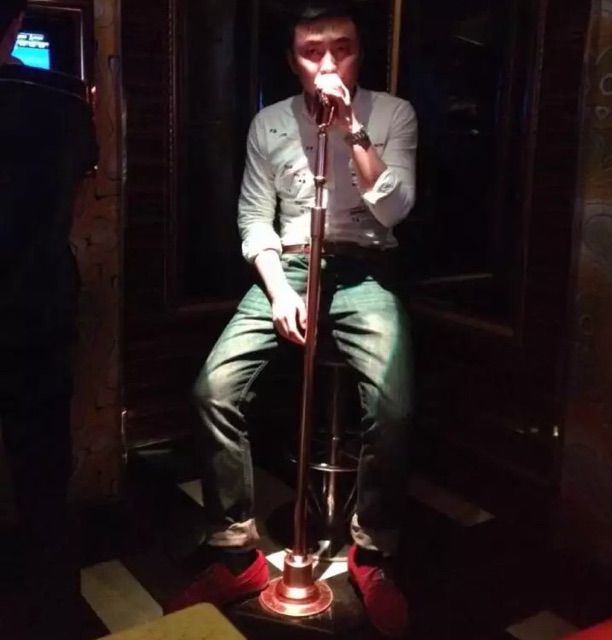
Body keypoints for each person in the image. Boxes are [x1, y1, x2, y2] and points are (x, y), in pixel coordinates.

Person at [169, 1, 417, 636]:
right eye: (312, 51)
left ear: (360, 53)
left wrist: (352, 130)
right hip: (290, 266)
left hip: (363, 267)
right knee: (213, 389)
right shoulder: (270, 123)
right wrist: (279, 290)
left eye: (342, 48)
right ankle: (236, 552)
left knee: (393, 405)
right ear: (292, 60)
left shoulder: (392, 114)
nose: (328, 63)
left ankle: (373, 552)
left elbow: (394, 211)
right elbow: (255, 218)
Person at [0, 2, 96, 637]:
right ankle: (56, 613)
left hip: (34, 301)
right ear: (14, 26)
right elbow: (80, 196)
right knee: (43, 481)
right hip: (36, 303)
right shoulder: (64, 99)